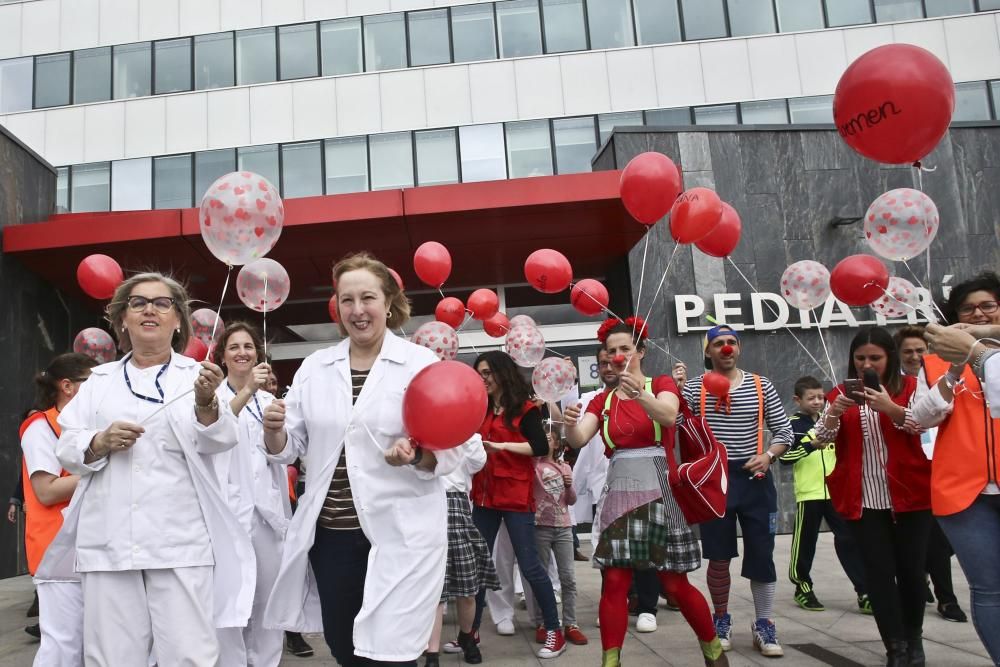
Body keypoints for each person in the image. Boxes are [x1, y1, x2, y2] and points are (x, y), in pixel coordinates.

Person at [261, 252, 467, 666]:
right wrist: (273, 429)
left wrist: (414, 457)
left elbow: (449, 454)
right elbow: (288, 449)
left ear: (389, 303)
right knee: (343, 645)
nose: (358, 310)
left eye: (368, 298)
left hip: (399, 533)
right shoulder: (316, 367)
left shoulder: (419, 365)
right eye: (347, 300)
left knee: (394, 651)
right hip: (332, 534)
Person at [45, 272, 252, 665]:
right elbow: (67, 446)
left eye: (162, 303)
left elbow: (222, 440)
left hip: (180, 542)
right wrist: (99, 441)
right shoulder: (98, 381)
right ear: (123, 319)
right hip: (109, 541)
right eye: (138, 303)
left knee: (190, 655)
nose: (149, 310)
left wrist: (207, 403)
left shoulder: (199, 377)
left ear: (178, 321)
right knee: (111, 657)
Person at [564, 317, 726, 667]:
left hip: (658, 488)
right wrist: (566, 421)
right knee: (616, 582)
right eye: (611, 351)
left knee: (674, 583)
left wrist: (641, 393)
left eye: (625, 348)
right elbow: (579, 439)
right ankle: (611, 661)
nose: (618, 356)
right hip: (619, 491)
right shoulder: (602, 401)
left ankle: (713, 650)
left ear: (640, 351)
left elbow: (669, 416)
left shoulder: (662, 383)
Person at [815, 326, 930, 666]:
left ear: (889, 359)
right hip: (864, 500)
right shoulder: (842, 393)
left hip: (912, 497)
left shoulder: (910, 388)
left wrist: (891, 408)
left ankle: (914, 639)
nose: (868, 364)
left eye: (875, 358)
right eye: (861, 358)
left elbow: (925, 428)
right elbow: (820, 436)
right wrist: (835, 409)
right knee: (878, 575)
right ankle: (894, 647)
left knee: (912, 571)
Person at [681, 325, 792, 658]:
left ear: (739, 348)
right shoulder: (693, 388)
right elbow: (674, 423)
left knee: (762, 553)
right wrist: (674, 389)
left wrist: (768, 455)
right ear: (708, 352)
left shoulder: (762, 385)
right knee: (718, 556)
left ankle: (764, 623)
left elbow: (784, 429)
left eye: (731, 342)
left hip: (755, 479)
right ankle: (720, 620)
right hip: (715, 481)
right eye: (718, 343)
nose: (726, 348)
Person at [912, 272, 1000, 664]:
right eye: (968, 308)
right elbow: (921, 417)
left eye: (987, 305)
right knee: (989, 590)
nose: (977, 312)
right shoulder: (934, 362)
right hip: (965, 495)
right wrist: (952, 370)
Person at [469, 350, 566, 657]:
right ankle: (468, 633)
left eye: (487, 373)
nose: (482, 379)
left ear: (502, 373)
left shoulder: (525, 409)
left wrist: (500, 445)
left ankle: (554, 630)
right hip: (483, 496)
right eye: (479, 373)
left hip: (514, 496)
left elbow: (539, 446)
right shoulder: (479, 407)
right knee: (477, 566)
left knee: (530, 566)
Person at [211, 321, 291, 667]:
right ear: (223, 357)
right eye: (234, 347)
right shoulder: (211, 398)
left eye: (248, 346)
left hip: (268, 514)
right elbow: (212, 431)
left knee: (268, 602)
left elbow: (283, 454)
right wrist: (246, 393)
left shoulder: (271, 400)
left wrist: (277, 431)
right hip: (226, 515)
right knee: (229, 600)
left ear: (258, 354)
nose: (242, 352)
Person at [21, 352, 96, 666]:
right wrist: (100, 471)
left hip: (90, 548)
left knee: (87, 646)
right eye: (89, 383)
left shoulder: (88, 426)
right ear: (67, 386)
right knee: (63, 648)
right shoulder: (40, 426)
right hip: (56, 553)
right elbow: (46, 490)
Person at [894, 326, 967, 623]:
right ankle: (946, 599)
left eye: (920, 350)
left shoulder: (943, 379)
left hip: (949, 466)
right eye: (908, 351)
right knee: (933, 537)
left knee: (947, 538)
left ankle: (921, 573)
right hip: (911, 471)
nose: (914, 356)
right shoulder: (895, 386)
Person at [780, 376, 869, 614]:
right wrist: (810, 444)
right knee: (806, 543)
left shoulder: (832, 421)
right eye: (812, 398)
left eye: (821, 397)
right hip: (809, 493)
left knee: (849, 540)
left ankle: (864, 591)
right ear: (798, 400)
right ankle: (802, 586)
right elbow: (783, 458)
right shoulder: (792, 425)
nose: (818, 402)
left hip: (835, 493)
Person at [426, 437, 498, 667]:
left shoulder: (470, 438)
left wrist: (463, 433)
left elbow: (478, 462)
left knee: (467, 589)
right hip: (426, 507)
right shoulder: (424, 433)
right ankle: (432, 653)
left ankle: (467, 638)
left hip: (458, 510)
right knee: (433, 591)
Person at [527, 429, 587, 646]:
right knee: (541, 577)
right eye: (542, 439)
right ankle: (544, 622)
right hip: (540, 526)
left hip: (563, 526)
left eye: (550, 439)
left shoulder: (565, 467)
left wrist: (569, 484)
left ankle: (571, 623)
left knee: (568, 578)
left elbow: (570, 501)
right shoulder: (534, 466)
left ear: (556, 444)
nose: (546, 441)